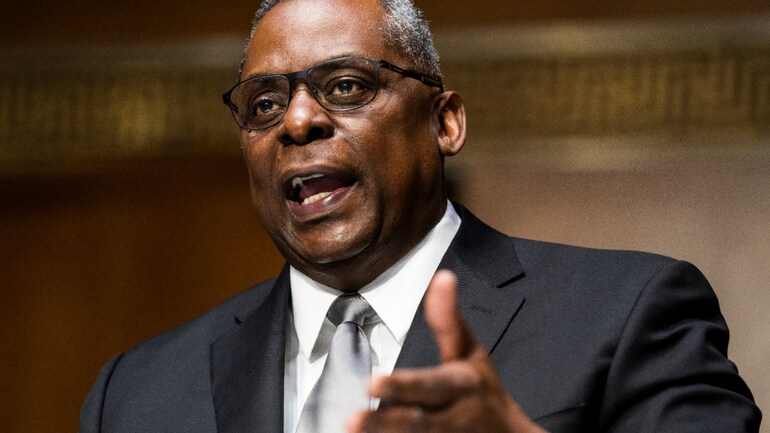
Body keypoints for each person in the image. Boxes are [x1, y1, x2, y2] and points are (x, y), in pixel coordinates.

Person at [79, 0, 762, 432]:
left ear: (444, 123)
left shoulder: (629, 311)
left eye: (346, 85)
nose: (297, 120)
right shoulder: (137, 393)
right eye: (263, 104)